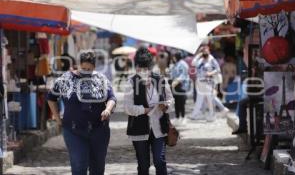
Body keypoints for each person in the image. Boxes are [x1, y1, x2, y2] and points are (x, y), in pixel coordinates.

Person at [47, 51, 117, 175]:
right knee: (79, 166)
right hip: (74, 131)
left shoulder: (101, 79)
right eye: (83, 68)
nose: (85, 71)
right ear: (78, 65)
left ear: (94, 67)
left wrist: (108, 109)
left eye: (89, 69)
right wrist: (57, 118)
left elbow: (111, 98)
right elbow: (51, 98)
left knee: (98, 168)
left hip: (99, 130)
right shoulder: (65, 79)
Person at [124, 47, 173, 175]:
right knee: (143, 164)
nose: (144, 71)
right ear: (136, 67)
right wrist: (145, 110)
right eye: (140, 68)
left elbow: (170, 99)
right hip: (139, 129)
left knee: (160, 161)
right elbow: (128, 108)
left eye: (147, 68)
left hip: (159, 127)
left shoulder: (160, 80)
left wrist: (166, 105)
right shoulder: (131, 82)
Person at [190, 42, 227, 122]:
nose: (204, 52)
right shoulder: (200, 59)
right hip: (200, 82)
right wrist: (198, 54)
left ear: (209, 51)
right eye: (203, 51)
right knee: (199, 99)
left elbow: (218, 69)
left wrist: (210, 73)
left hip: (208, 82)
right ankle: (195, 114)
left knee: (210, 99)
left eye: (206, 50)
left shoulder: (211, 59)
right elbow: (193, 63)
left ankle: (212, 115)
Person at [170, 50, 189, 123]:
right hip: (175, 85)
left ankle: (183, 117)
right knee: (176, 102)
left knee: (181, 102)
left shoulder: (183, 64)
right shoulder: (175, 64)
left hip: (181, 85)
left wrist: (176, 81)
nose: (173, 58)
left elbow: (183, 75)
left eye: (174, 56)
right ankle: (177, 117)